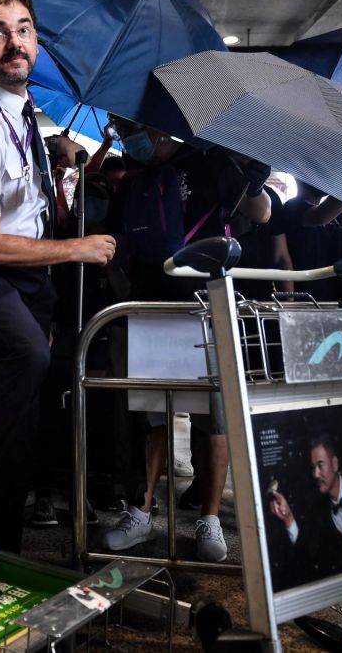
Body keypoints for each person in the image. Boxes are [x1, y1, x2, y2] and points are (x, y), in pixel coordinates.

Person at [0, 0, 116, 555]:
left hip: (26, 280)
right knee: (26, 355)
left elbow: (31, 214)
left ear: (35, 42)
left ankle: (3, 546)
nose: (13, 43)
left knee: (34, 402)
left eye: (22, 30)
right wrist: (78, 248)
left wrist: (68, 175)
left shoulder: (25, 120)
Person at [100, 117, 271, 562]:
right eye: (120, 129)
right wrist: (115, 273)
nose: (125, 136)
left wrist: (254, 186)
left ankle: (209, 518)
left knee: (210, 418)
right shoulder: (133, 176)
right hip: (149, 306)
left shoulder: (210, 161)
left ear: (156, 125)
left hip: (203, 305)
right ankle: (142, 512)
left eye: (129, 126)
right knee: (154, 415)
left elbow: (260, 213)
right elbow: (116, 237)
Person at [267, 434, 342, 582]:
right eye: (313, 468)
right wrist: (288, 518)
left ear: (335, 464)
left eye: (320, 465)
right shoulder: (318, 512)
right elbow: (307, 555)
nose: (315, 474)